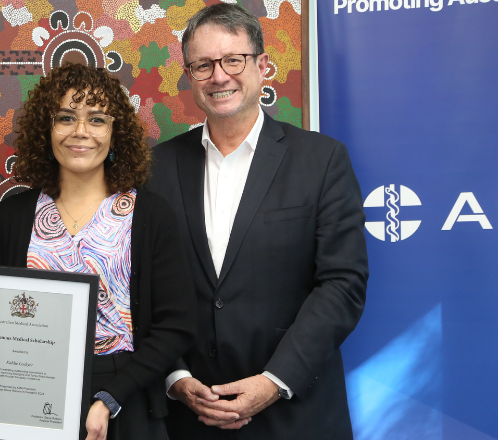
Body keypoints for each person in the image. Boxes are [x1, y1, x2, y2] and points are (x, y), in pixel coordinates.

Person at [0, 62, 198, 440]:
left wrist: (110, 398)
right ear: (48, 128)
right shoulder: (13, 215)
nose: (81, 132)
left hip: (127, 396)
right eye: (66, 117)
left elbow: (177, 326)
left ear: (114, 132)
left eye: (97, 119)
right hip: (32, 393)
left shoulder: (151, 214)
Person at [146, 4, 368, 440]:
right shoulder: (155, 168)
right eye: (203, 65)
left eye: (234, 59)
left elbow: (343, 284)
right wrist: (175, 377)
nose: (219, 76)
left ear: (263, 66)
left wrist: (274, 382)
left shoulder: (322, 161)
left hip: (295, 415)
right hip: (188, 418)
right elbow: (142, 286)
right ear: (189, 75)